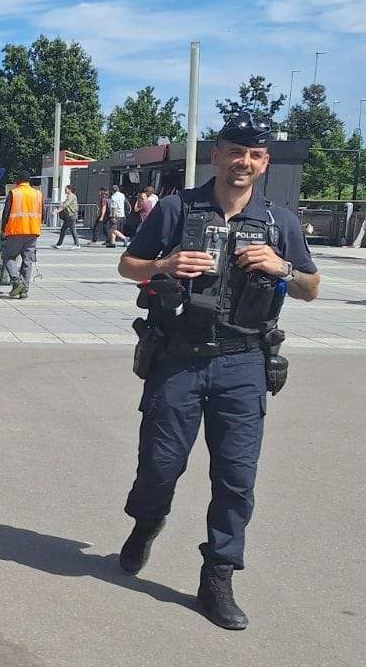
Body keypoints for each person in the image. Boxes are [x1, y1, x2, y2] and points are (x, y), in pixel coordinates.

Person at [116, 110, 320, 631]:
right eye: (235, 152)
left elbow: (311, 287)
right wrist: (164, 265)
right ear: (217, 156)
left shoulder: (281, 224)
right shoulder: (176, 209)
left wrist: (284, 268)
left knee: (235, 477)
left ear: (265, 162)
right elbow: (128, 266)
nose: (243, 162)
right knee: (160, 466)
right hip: (178, 359)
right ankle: (147, 521)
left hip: (244, 362)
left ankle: (218, 576)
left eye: (254, 155)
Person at [1, 177, 43, 299]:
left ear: (18, 181)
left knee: (8, 257)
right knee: (27, 260)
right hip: (33, 231)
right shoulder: (37, 193)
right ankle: (24, 289)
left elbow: (6, 212)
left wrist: (3, 228)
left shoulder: (14, 192)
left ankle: (16, 281)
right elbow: (42, 212)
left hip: (16, 230)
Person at [107, 183, 128, 247]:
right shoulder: (122, 195)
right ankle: (112, 243)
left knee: (112, 229)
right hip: (121, 213)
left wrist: (113, 216)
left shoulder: (114, 197)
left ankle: (124, 238)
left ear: (112, 190)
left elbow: (114, 207)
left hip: (116, 215)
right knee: (114, 229)